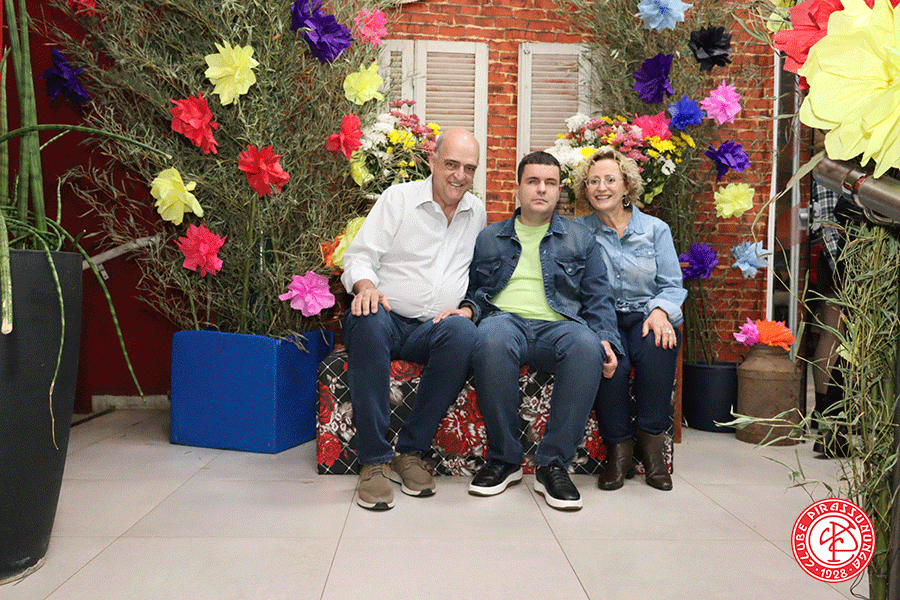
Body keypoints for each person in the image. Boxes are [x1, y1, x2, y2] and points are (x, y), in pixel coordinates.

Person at [439, 150, 620, 511]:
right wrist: (468, 309)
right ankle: (505, 460)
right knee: (489, 338)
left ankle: (553, 466)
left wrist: (605, 338)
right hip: (505, 320)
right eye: (533, 181)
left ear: (559, 191)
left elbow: (598, 296)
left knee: (587, 347)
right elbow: (477, 291)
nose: (541, 189)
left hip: (561, 325)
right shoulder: (490, 237)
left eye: (550, 183)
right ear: (518, 188)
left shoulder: (581, 238)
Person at [340, 128, 486, 511]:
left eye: (469, 168)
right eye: (451, 164)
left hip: (431, 328)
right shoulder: (399, 199)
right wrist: (366, 288)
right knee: (367, 316)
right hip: (385, 315)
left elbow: (480, 276)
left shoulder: (476, 212)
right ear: (432, 161)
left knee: (463, 332)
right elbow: (359, 256)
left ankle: (410, 452)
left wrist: (468, 308)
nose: (460, 175)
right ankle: (374, 461)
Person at [573, 146, 686, 492]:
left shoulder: (655, 229)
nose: (601, 187)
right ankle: (619, 452)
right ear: (584, 189)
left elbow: (672, 285)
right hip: (601, 316)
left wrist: (660, 311)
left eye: (610, 179)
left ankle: (652, 451)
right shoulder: (578, 232)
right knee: (611, 363)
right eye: (593, 181)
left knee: (659, 344)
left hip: (645, 313)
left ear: (626, 186)